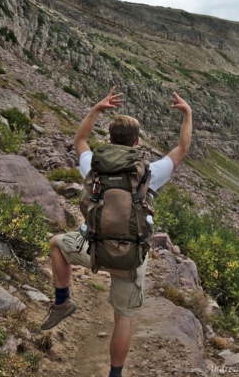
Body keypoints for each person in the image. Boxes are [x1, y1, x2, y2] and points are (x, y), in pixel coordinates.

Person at [41, 87, 193, 377]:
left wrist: (96, 110)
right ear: (136, 143)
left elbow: (81, 141)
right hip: (132, 257)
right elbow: (181, 150)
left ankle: (62, 301)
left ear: (110, 139)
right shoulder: (149, 171)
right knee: (123, 318)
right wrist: (187, 114)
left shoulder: (93, 167)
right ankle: (115, 375)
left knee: (57, 244)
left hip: (94, 248)